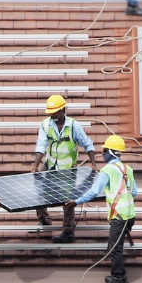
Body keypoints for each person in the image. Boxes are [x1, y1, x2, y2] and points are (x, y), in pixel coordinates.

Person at [72, 134, 137, 283]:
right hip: (130, 216)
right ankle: (122, 275)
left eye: (105, 150)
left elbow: (94, 191)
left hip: (119, 216)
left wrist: (76, 201)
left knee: (115, 249)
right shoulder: (128, 169)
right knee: (114, 246)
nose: (103, 153)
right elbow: (134, 192)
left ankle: (117, 279)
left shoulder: (107, 170)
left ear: (112, 152)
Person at [33, 95, 97, 244]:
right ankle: (44, 219)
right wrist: (36, 165)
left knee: (68, 199)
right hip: (50, 164)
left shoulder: (74, 126)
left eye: (54, 112)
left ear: (62, 110)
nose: (51, 115)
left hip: (67, 168)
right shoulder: (45, 124)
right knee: (37, 187)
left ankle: (68, 231)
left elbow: (87, 144)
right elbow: (41, 145)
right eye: (50, 112)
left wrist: (94, 164)